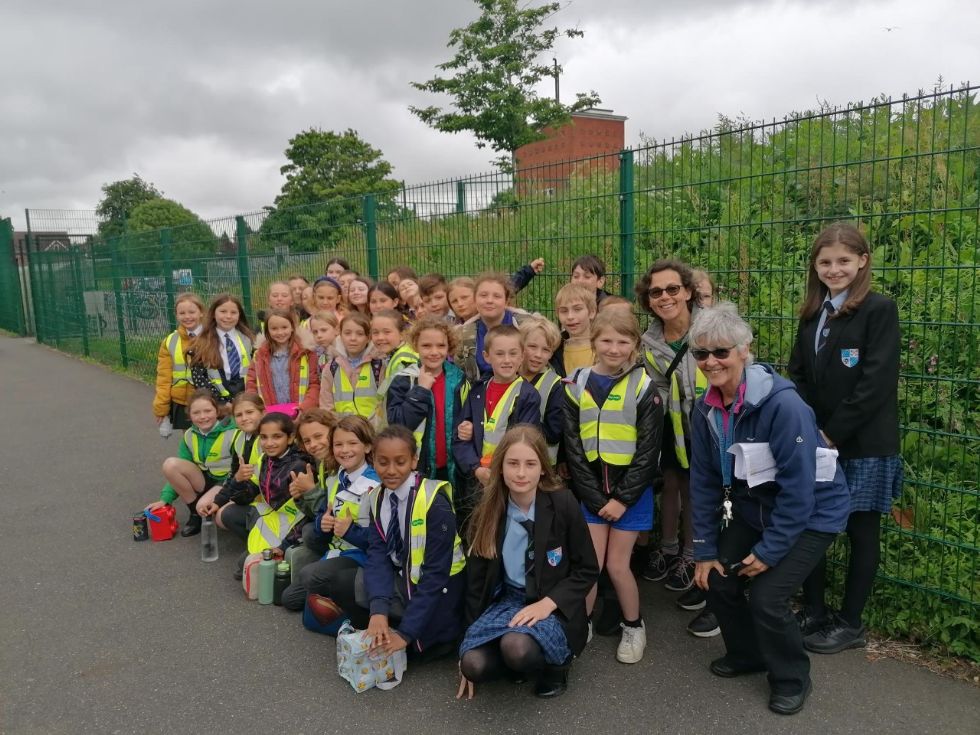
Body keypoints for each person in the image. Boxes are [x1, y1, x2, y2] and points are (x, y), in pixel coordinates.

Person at [688, 303, 850, 716]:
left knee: (767, 597)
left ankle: (793, 677)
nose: (710, 362)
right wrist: (704, 549)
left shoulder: (783, 406)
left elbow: (800, 490)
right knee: (719, 581)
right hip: (754, 507)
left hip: (813, 513)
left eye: (721, 352)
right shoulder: (704, 407)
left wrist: (768, 552)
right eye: (701, 354)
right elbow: (704, 480)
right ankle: (747, 655)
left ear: (745, 350)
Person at [788, 223, 902, 654]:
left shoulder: (878, 309)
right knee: (811, 523)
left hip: (862, 445)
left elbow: (875, 383)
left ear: (862, 262)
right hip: (816, 442)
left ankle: (850, 622)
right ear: (815, 267)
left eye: (843, 261)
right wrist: (806, 427)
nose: (834, 269)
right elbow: (798, 374)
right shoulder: (812, 314)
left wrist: (832, 432)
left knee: (860, 532)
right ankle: (814, 610)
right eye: (825, 262)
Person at [457, 426, 599, 700]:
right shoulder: (488, 510)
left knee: (516, 647)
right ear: (500, 468)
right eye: (512, 463)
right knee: (473, 664)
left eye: (530, 464)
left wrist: (548, 604)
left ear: (543, 469)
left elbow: (587, 569)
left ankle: (555, 666)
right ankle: (514, 661)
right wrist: (466, 642)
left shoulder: (563, 503)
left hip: (552, 603)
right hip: (508, 600)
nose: (521, 473)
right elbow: (475, 583)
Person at [564, 310, 663, 664]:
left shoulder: (644, 387)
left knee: (618, 566)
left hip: (630, 496)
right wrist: (593, 497)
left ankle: (634, 626)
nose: (614, 348)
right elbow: (573, 447)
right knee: (590, 564)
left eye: (623, 341)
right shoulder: (576, 382)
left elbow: (649, 452)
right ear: (593, 343)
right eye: (606, 340)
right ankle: (583, 623)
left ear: (635, 345)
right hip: (592, 493)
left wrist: (621, 499)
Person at [637, 259, 715, 637]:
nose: (665, 297)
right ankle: (667, 549)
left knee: (696, 490)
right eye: (656, 292)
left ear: (687, 291)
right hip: (669, 425)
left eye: (672, 289)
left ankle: (691, 555)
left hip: (707, 424)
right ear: (648, 300)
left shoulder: (710, 328)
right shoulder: (649, 340)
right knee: (671, 483)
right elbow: (653, 384)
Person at [361, 426, 467, 662]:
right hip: (408, 580)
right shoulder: (376, 497)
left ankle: (430, 635)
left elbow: (436, 575)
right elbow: (377, 555)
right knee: (360, 585)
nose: (390, 471)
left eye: (400, 462)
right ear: (373, 461)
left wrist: (407, 634)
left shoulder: (434, 503)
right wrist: (378, 609)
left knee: (421, 649)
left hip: (441, 591)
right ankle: (387, 624)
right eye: (382, 462)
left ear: (414, 461)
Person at [281, 413, 379, 614]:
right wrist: (322, 523)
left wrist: (348, 531)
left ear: (368, 447)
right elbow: (321, 517)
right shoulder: (336, 476)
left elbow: (381, 540)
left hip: (362, 555)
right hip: (337, 549)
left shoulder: (375, 484)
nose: (344, 450)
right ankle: (333, 594)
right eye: (338, 445)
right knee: (289, 598)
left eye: (352, 443)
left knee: (311, 577)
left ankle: (353, 598)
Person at [454, 324, 541, 532]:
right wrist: (476, 469)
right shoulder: (476, 392)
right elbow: (459, 439)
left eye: (513, 354)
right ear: (486, 356)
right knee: (476, 530)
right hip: (477, 479)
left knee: (505, 532)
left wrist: (501, 472)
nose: (507, 360)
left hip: (508, 481)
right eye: (499, 354)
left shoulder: (528, 395)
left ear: (522, 356)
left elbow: (526, 442)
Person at [146, 389, 237, 537]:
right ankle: (194, 514)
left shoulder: (232, 431)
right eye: (196, 413)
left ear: (216, 410)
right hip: (203, 480)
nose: (203, 417)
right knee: (170, 464)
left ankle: (205, 508)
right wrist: (165, 499)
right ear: (190, 415)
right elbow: (178, 470)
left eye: (208, 411)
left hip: (225, 482)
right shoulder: (189, 434)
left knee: (204, 506)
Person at [218, 411, 311, 554]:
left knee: (247, 570)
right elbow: (245, 498)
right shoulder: (264, 459)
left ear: (290, 438)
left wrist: (284, 546)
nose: (269, 443)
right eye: (263, 437)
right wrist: (238, 480)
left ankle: (279, 553)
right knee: (228, 514)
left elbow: (308, 515)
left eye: (277, 437)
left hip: (292, 527)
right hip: (272, 517)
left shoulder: (299, 466)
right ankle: (257, 549)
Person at [387, 316, 466, 482]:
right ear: (416, 345)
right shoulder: (404, 380)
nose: (434, 352)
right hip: (419, 466)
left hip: (454, 467)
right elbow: (398, 424)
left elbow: (468, 415)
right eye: (426, 346)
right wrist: (421, 390)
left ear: (449, 347)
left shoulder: (459, 379)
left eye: (441, 345)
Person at [199, 392, 265, 533]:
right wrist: (218, 501)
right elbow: (233, 475)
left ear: (262, 412)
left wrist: (238, 482)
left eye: (249, 412)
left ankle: (263, 545)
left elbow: (251, 484)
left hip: (266, 498)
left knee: (225, 514)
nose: (245, 418)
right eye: (239, 415)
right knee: (213, 508)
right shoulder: (239, 438)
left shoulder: (268, 440)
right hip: (250, 492)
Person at [455, 272, 532, 383]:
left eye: (497, 296)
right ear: (475, 300)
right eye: (483, 295)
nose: (489, 301)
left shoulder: (526, 327)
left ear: (506, 302)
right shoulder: (464, 335)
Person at [245, 309, 320, 413]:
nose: (280, 332)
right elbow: (251, 384)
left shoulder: (306, 354)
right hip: (270, 413)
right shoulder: (259, 355)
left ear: (292, 328)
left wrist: (304, 408)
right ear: (267, 331)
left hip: (301, 412)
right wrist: (258, 409)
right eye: (274, 328)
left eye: (284, 327)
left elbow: (314, 384)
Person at [189, 294, 254, 409]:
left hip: (245, 398)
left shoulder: (248, 339)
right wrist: (220, 402)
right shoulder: (201, 342)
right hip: (218, 402)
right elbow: (199, 378)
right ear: (214, 314)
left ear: (239, 315)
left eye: (233, 312)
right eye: (223, 311)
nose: (228, 316)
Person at [153, 292, 204, 431]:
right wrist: (161, 408)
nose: (187, 317)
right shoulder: (170, 341)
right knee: (188, 443)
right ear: (176, 315)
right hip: (182, 402)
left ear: (201, 312)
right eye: (182, 313)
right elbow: (163, 378)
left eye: (192, 312)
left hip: (208, 401)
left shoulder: (212, 338)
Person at [319, 312, 383, 419]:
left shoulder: (379, 366)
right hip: (342, 430)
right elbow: (326, 406)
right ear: (340, 335)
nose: (353, 338)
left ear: (368, 338)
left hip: (372, 430)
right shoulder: (331, 367)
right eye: (347, 333)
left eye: (360, 334)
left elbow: (382, 404)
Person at [518, 316, 563, 465]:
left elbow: (553, 433)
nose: (538, 355)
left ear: (551, 353)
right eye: (532, 346)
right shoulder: (506, 375)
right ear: (520, 345)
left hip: (542, 465)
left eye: (546, 350)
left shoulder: (555, 384)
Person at [371, 309, 419, 425]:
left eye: (387, 332)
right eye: (375, 332)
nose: (380, 337)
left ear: (402, 335)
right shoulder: (395, 356)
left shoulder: (404, 360)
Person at [552, 283, 597, 376]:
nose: (570, 316)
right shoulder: (553, 350)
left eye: (577, 309)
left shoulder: (606, 348)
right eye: (564, 311)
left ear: (592, 312)